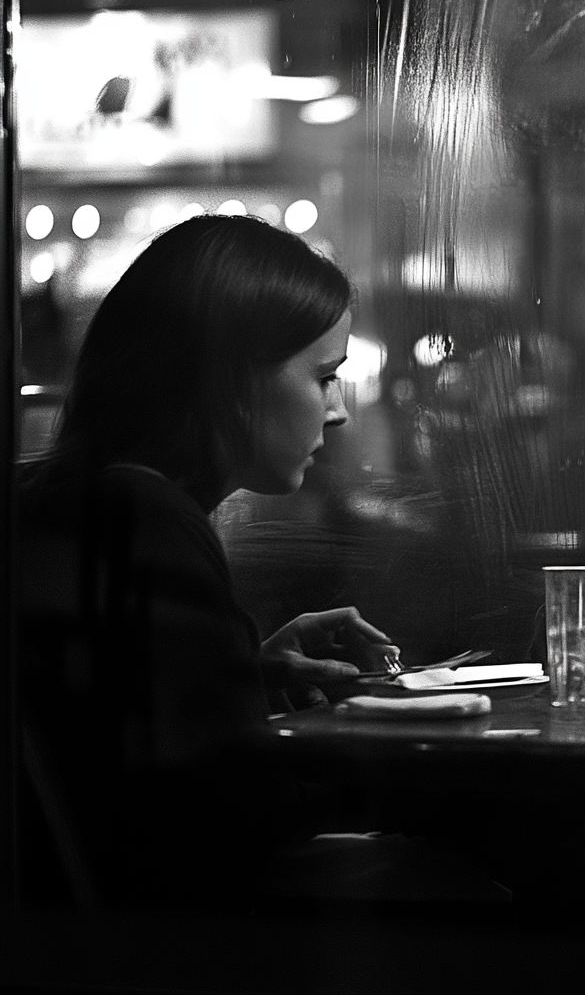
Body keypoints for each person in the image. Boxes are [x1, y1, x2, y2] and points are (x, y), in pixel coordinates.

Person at [15, 214, 501, 913]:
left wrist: (245, 676)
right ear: (227, 379)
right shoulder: (144, 520)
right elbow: (230, 824)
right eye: (324, 376)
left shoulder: (76, 499)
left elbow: (129, 750)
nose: (337, 412)